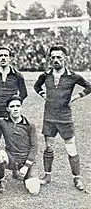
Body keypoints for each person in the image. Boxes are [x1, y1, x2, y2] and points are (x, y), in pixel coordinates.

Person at [34, 45, 91, 191]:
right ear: (49, 59)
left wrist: (77, 96)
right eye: (53, 57)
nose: (56, 60)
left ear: (65, 58)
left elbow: (89, 86)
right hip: (49, 117)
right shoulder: (45, 75)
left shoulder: (73, 76)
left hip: (65, 118)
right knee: (48, 148)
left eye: (59, 57)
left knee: (71, 149)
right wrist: (43, 95)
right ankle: (47, 176)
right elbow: (36, 86)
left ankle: (77, 179)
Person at [0, 95, 40, 195]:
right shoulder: (2, 122)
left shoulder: (30, 125)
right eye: (12, 106)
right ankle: (2, 180)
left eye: (18, 106)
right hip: (11, 157)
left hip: (26, 159)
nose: (15, 109)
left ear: (21, 107)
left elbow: (34, 147)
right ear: (7, 109)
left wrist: (26, 166)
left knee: (34, 191)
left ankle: (24, 174)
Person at [0, 46, 27, 119]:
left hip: (11, 112)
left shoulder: (17, 75)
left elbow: (24, 93)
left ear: (10, 58)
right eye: (0, 55)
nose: (3, 58)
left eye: (6, 55)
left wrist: (14, 104)